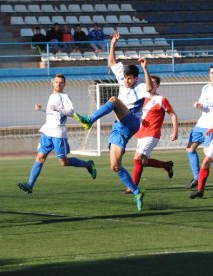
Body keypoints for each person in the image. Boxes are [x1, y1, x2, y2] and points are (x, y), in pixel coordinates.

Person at [73, 32, 152, 211]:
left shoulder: (140, 86)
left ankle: (89, 120)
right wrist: (112, 43)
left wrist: (145, 68)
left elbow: (149, 87)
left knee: (114, 100)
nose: (125, 81)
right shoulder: (123, 78)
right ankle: (137, 191)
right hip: (119, 128)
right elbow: (111, 62)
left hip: (132, 121)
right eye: (124, 78)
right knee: (115, 166)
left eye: (129, 78)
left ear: (135, 78)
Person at [18, 74, 97, 195]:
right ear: (53, 83)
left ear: (64, 84)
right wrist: (42, 109)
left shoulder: (64, 97)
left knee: (63, 162)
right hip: (47, 132)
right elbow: (52, 111)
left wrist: (58, 109)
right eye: (56, 82)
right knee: (40, 158)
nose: (58, 84)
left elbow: (71, 112)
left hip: (58, 133)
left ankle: (88, 165)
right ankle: (30, 185)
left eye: (61, 83)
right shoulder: (51, 96)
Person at [126, 75, 178, 194]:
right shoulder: (142, 98)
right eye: (149, 82)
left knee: (137, 159)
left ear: (158, 85)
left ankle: (133, 187)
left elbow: (173, 114)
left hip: (152, 133)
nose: (151, 84)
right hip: (141, 133)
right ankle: (167, 165)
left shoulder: (161, 100)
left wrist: (175, 131)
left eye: (153, 82)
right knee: (143, 162)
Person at [185, 65, 213, 189]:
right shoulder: (205, 87)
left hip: (212, 125)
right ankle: (197, 178)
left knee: (207, 152)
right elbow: (202, 104)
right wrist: (198, 105)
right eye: (211, 73)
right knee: (190, 149)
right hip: (201, 123)